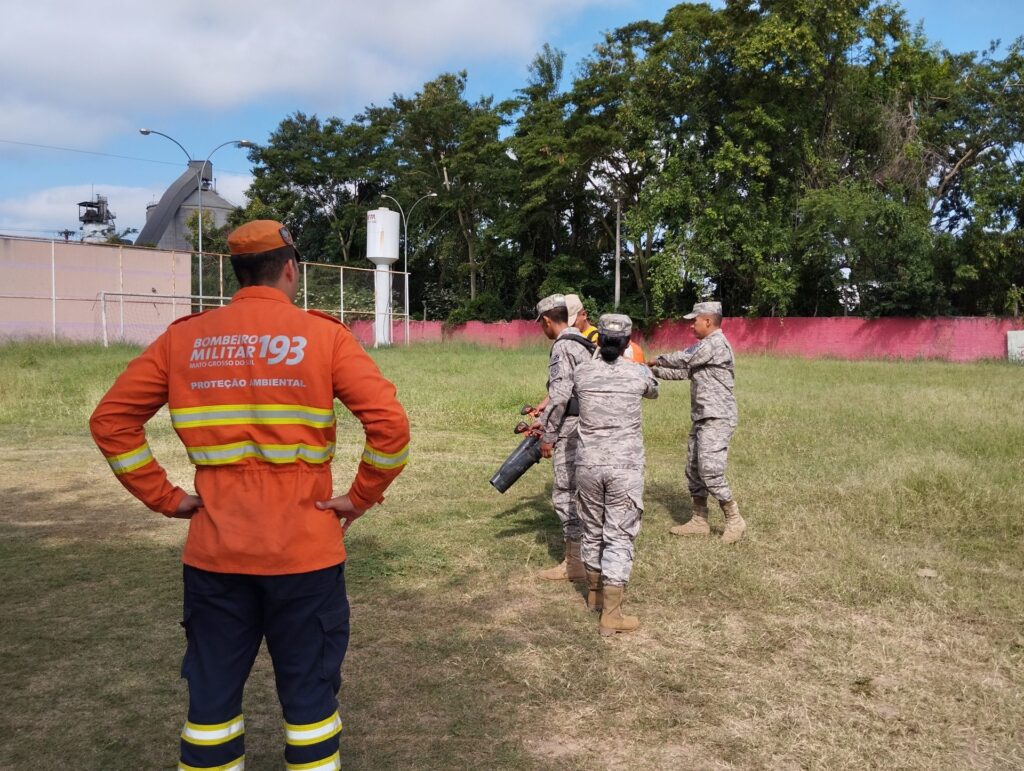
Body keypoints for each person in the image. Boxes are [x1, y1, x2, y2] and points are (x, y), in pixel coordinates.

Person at [89, 220, 410, 771]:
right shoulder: (323, 335)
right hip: (305, 551)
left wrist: (165, 497)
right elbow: (391, 429)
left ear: (235, 273)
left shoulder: (183, 338)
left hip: (216, 552)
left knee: (210, 702)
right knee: (310, 702)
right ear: (291, 268)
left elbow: (111, 421)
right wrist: (359, 498)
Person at [571, 314, 658, 636]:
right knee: (619, 534)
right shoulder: (638, 374)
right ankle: (612, 613)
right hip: (624, 468)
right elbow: (653, 391)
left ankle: (594, 594)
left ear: (598, 340)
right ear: (626, 342)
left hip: (588, 465)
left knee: (592, 528)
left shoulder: (582, 372)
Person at [647, 301, 745, 543]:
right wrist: (650, 370)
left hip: (717, 416)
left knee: (711, 470)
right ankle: (699, 520)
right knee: (693, 469)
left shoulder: (714, 344)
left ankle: (734, 518)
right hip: (703, 416)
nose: (692, 325)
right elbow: (682, 372)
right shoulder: (705, 349)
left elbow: (682, 359)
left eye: (695, 320)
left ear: (708, 322)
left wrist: (656, 359)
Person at [531, 293, 596, 582]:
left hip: (571, 428)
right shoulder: (584, 343)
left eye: (541, 324)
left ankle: (574, 565)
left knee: (566, 492)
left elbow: (559, 397)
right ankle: (586, 557)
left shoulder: (563, 347)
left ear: (547, 321)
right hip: (592, 425)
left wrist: (548, 435)